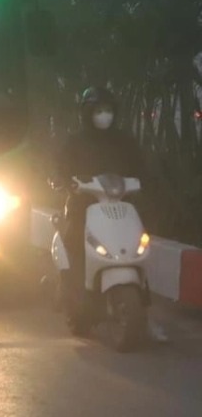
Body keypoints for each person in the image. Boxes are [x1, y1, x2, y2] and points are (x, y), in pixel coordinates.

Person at [52, 86, 146, 319]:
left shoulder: (124, 141)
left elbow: (140, 167)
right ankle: (72, 292)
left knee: (138, 240)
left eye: (108, 110)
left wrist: (145, 181)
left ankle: (145, 297)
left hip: (120, 203)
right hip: (83, 205)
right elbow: (59, 168)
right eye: (98, 111)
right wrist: (65, 181)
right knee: (74, 239)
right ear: (88, 113)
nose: (104, 116)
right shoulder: (76, 142)